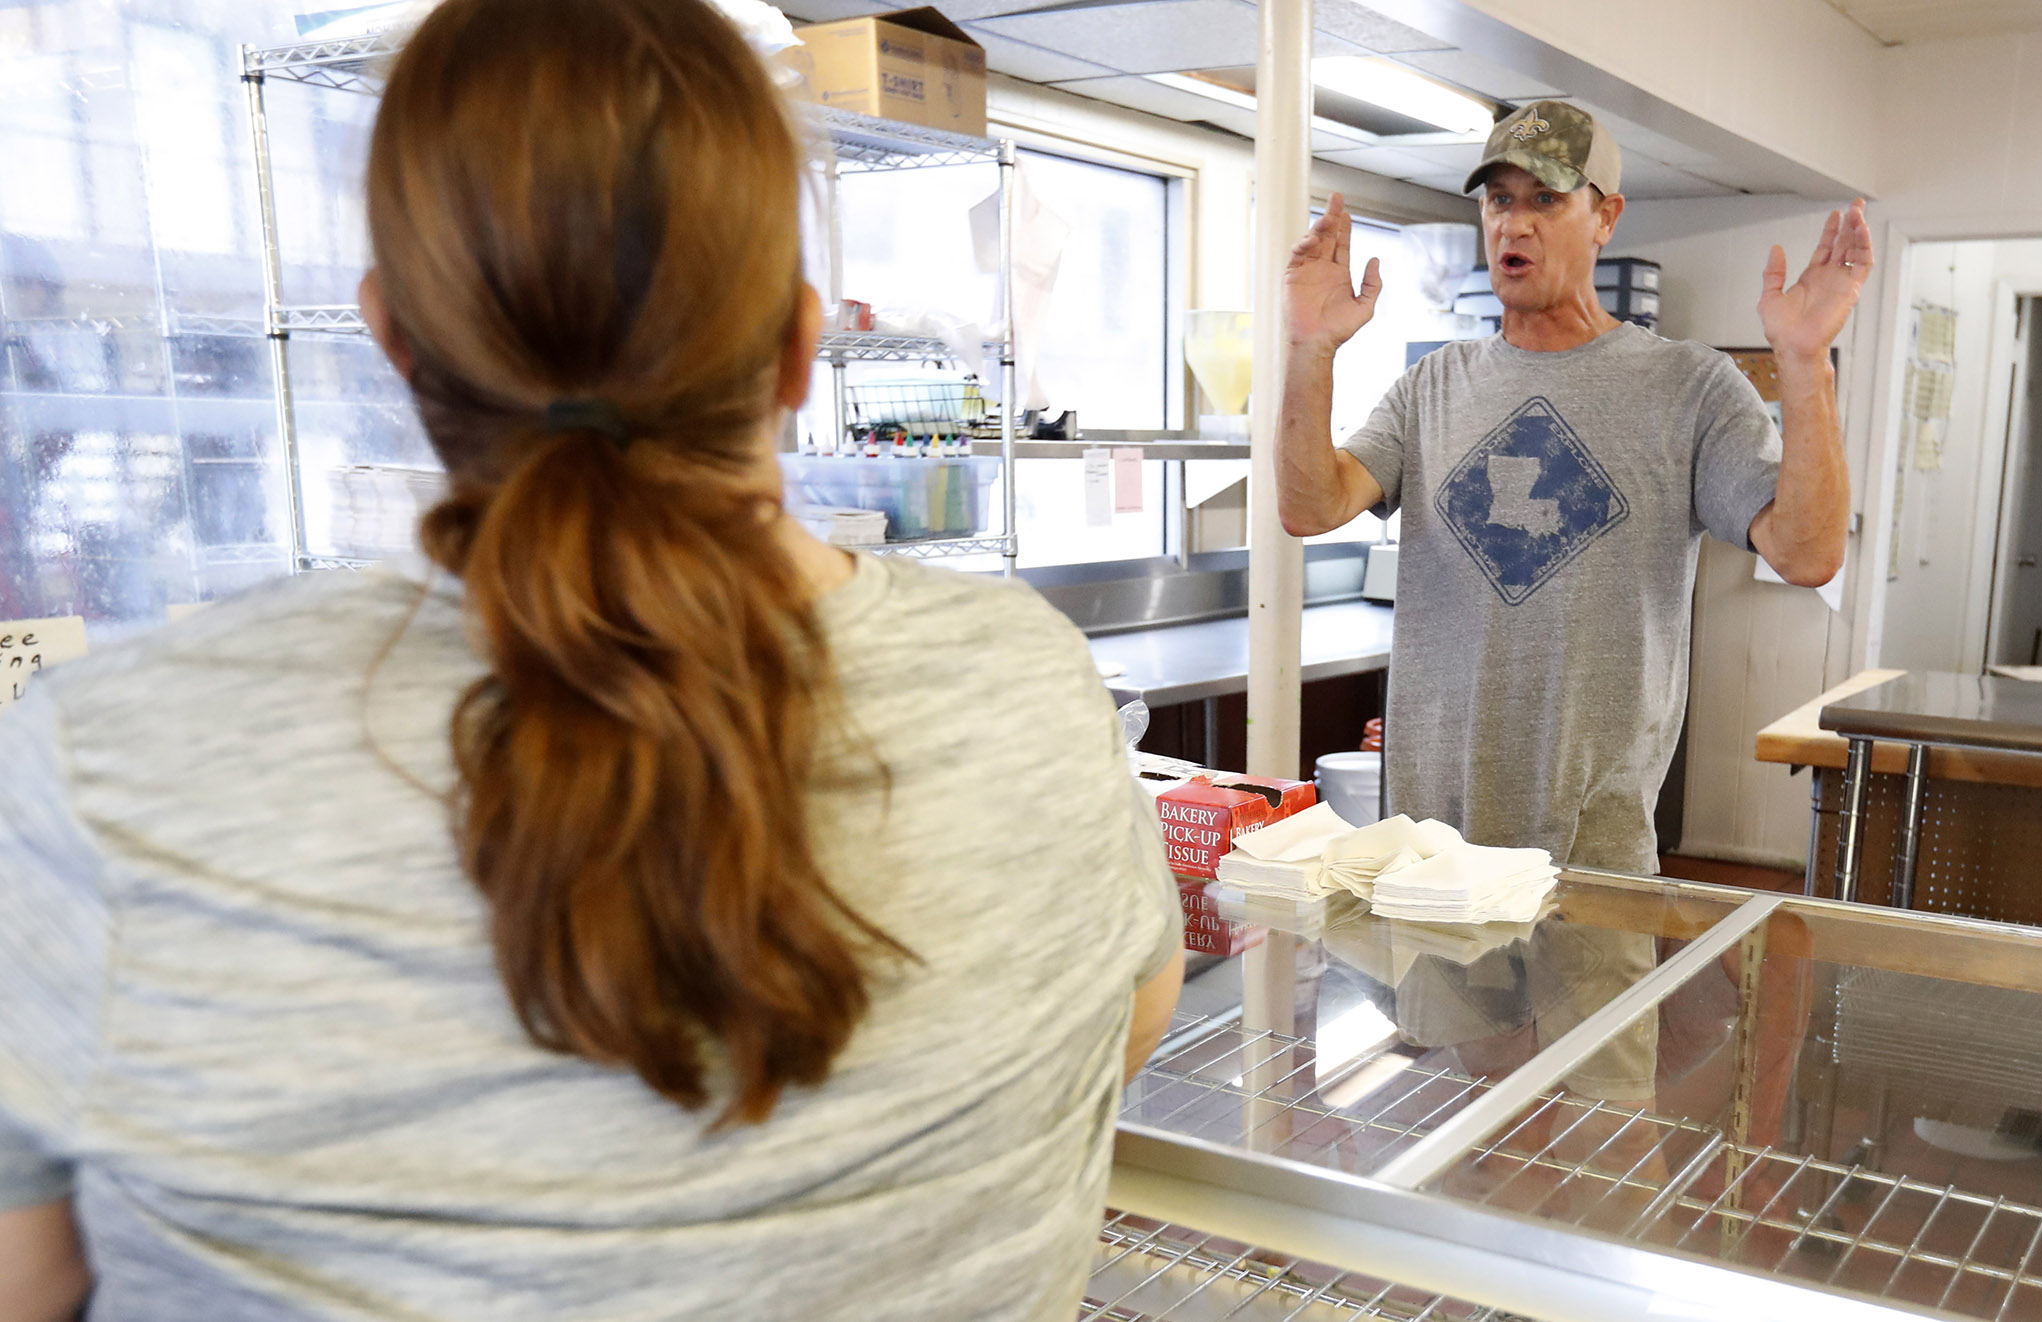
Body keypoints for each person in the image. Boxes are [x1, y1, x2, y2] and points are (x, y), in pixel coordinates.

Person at [0, 1, 1182, 1317]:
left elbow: (28, 1277)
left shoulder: (109, 766)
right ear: (796, 348)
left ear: (392, 338)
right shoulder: (1030, 681)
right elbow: (1124, 1028)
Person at [1276, 101, 1864, 1106]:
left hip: (1594, 840)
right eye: (1499, 201)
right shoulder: (1433, 386)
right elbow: (1309, 504)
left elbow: (1805, 550)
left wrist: (1804, 366)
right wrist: (1309, 348)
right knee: (1464, 1117)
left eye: (1544, 199)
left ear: (1606, 217)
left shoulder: (1689, 387)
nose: (1513, 224)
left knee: (1598, 1137)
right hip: (1441, 839)